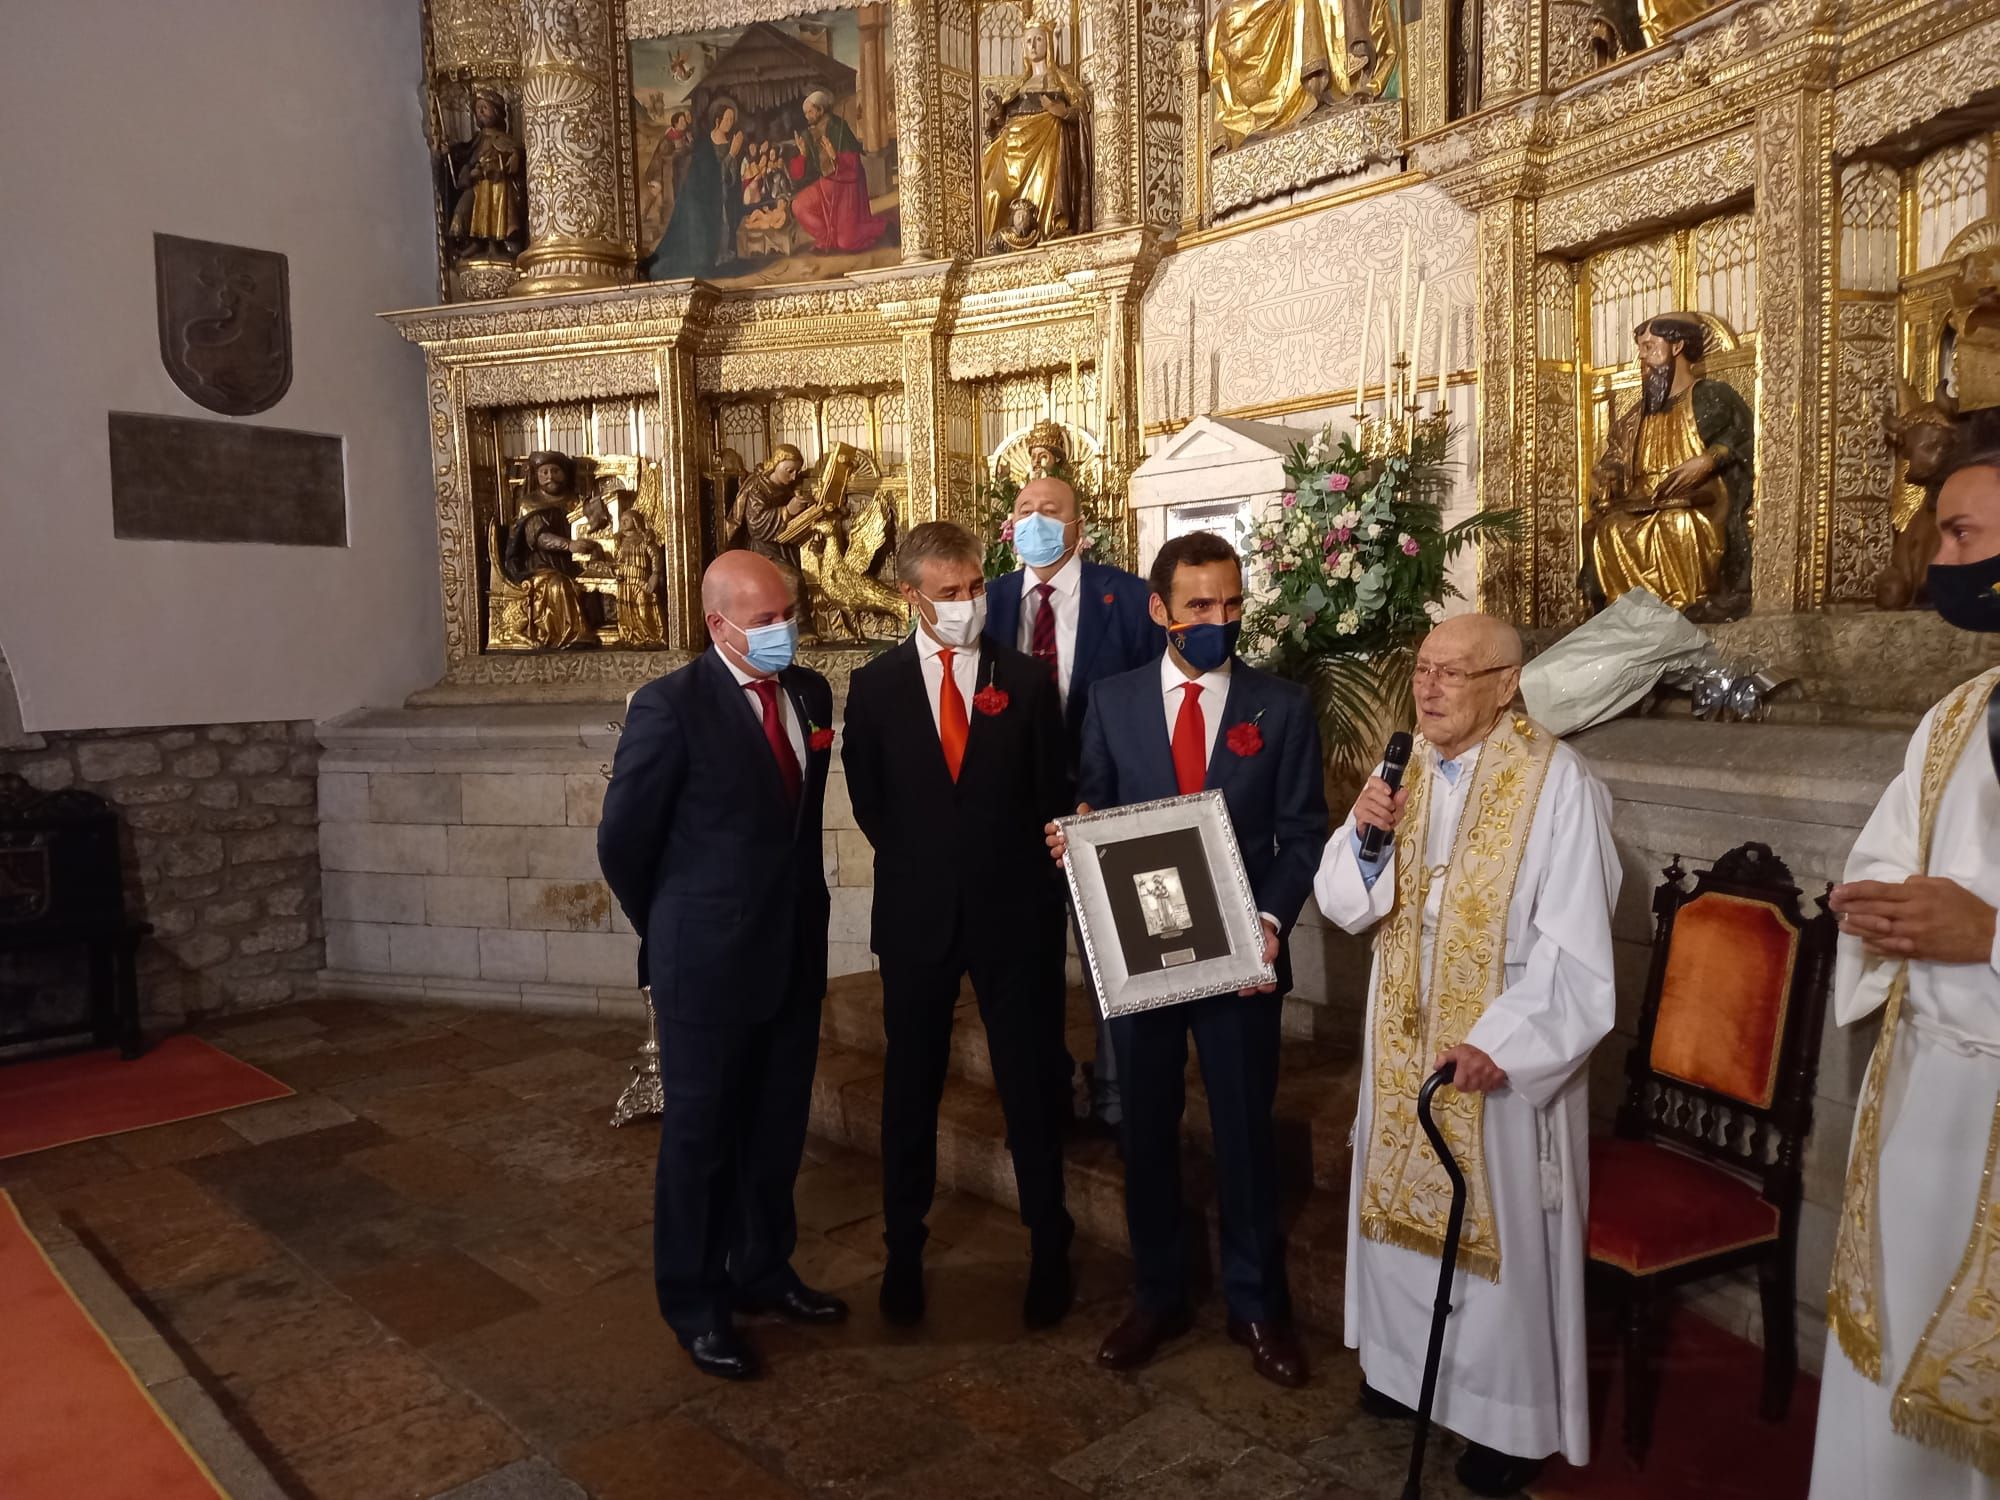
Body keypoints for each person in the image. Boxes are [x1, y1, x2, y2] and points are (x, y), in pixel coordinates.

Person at [1313, 612, 1619, 1496]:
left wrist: (1503, 1045)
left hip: (1499, 1052)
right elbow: (1343, 903)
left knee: (1501, 1228)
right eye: (1423, 670)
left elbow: (1577, 952)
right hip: (1403, 1033)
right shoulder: (1396, 771)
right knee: (1399, 1204)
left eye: (1454, 672)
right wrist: (1367, 834)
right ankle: (1408, 1375)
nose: (1431, 686)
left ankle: (1507, 1418)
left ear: (1507, 682)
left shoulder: (1558, 784)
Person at [1045, 529, 1328, 1387]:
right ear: (1159, 610)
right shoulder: (1113, 697)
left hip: (1243, 955)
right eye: (1201, 605)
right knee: (1146, 1129)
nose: (1220, 620)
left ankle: (1255, 1304)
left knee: (1244, 1133)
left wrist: (1273, 919)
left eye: (1233, 603)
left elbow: (1303, 832)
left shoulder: (1279, 706)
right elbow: (1093, 793)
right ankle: (1158, 1293)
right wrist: (1076, 836)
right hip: (1143, 956)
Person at [596, 550, 847, 1382]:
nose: (785, 630)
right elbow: (624, 841)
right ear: (719, 625)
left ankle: (763, 1271)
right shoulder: (670, 707)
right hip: (703, 960)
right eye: (767, 619)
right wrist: (673, 926)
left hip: (791, 951)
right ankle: (696, 1303)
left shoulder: (809, 694)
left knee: (776, 1129)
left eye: (790, 613)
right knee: (701, 1140)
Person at [1809, 449, 2000, 1500]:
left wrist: (1988, 935)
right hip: (1927, 1091)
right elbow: (1885, 850)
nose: (1938, 559)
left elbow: (1976, 920)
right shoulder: (1956, 716)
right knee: (1896, 1354)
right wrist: (1876, 902)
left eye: (1961, 536)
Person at [841, 521, 1076, 1329]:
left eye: (975, 587)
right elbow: (874, 806)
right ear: (910, 595)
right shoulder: (872, 689)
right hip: (916, 920)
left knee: (1031, 1085)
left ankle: (1051, 1245)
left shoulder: (1028, 680)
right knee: (909, 1088)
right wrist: (935, 868)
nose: (968, 604)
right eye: (949, 594)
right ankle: (902, 1250)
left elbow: (1053, 792)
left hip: (1015, 919)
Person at [987, 474, 1159, 1137]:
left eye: (1050, 510)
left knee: (1113, 962)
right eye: (1025, 509)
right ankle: (1048, 1092)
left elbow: (1149, 692)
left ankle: (1118, 1099)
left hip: (1104, 807)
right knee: (1028, 968)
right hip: (1018, 817)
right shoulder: (991, 600)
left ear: (1079, 526)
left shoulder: (1130, 597)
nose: (1036, 519)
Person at [648, 101, 746, 279]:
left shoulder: (731, 142)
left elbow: (730, 175)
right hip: (701, 194)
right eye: (727, 118)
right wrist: (731, 154)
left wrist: (733, 156)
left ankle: (720, 256)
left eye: (732, 119)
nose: (730, 122)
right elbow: (706, 171)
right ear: (717, 120)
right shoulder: (705, 143)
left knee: (725, 224)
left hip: (721, 191)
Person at [788, 89, 889, 255]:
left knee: (846, 241)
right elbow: (799, 175)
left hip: (847, 184)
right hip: (826, 184)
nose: (808, 116)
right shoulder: (809, 134)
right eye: (805, 113)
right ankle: (826, 238)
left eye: (811, 112)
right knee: (799, 206)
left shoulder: (838, 127)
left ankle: (884, 226)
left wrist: (835, 156)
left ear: (821, 109)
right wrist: (803, 155)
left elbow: (853, 166)